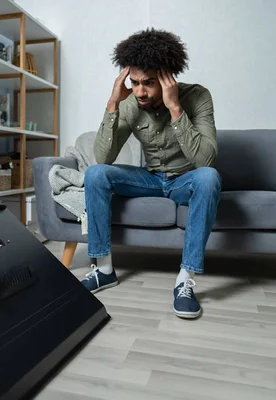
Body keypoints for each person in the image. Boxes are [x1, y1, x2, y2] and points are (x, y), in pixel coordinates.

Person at [81, 28, 221, 319]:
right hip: (149, 179)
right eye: (134, 82)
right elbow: (103, 157)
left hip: (185, 180)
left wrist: (174, 108)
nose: (140, 91)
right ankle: (104, 269)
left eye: (148, 83)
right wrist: (113, 105)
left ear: (168, 77)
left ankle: (185, 280)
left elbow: (206, 160)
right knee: (95, 173)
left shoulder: (197, 97)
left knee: (209, 177)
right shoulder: (130, 103)